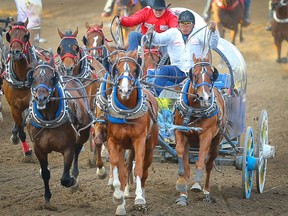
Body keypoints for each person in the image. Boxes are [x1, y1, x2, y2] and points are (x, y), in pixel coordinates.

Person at [147, 10, 219, 96]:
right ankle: (153, 93)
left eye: (187, 24)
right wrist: (152, 33)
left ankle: (204, 95)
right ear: (178, 24)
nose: (185, 27)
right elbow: (158, 40)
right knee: (164, 69)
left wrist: (214, 32)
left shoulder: (200, 33)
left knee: (204, 73)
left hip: (196, 71)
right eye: (182, 24)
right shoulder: (172, 33)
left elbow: (212, 44)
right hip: (179, 71)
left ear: (193, 25)